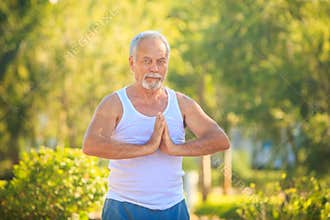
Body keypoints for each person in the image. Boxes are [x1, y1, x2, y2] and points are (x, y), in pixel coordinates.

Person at [82, 30, 230, 220]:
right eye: (147, 61)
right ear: (132, 63)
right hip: (123, 208)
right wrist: (147, 147)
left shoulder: (182, 103)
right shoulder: (114, 103)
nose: (154, 68)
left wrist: (174, 149)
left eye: (161, 61)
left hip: (173, 208)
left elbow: (220, 140)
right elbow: (91, 145)